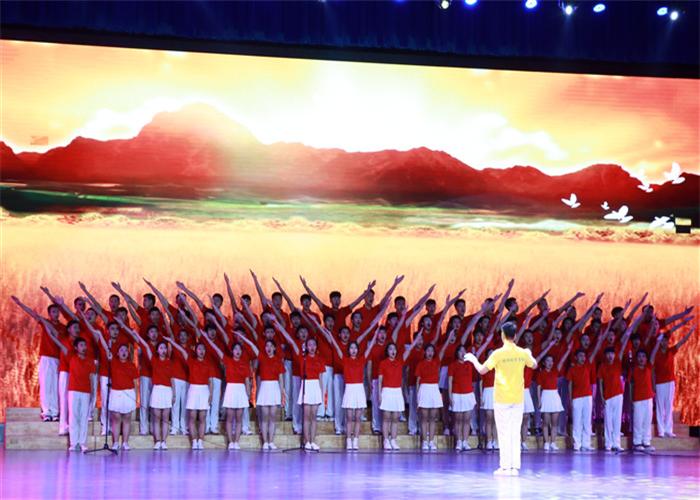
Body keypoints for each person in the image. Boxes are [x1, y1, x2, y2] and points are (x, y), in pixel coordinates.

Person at [465, 320, 537, 476]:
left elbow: (482, 370)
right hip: (517, 398)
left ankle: (505, 467)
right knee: (515, 432)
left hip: (502, 398)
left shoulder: (497, 354)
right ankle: (514, 467)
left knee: (503, 432)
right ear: (515, 336)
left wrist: (472, 359)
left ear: (503, 335)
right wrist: (529, 354)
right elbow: (534, 365)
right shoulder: (522, 352)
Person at [12, 297, 64, 422]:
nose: (56, 314)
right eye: (53, 312)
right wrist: (20, 303)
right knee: (46, 385)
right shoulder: (45, 323)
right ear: (49, 313)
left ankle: (55, 412)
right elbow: (33, 314)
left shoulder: (63, 328)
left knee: (55, 387)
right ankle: (46, 412)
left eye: (57, 312)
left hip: (58, 359)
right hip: (46, 358)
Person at [205, 330, 254, 450]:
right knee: (230, 418)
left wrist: (248, 394)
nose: (238, 351)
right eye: (235, 349)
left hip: (241, 390)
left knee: (239, 418)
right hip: (231, 389)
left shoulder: (245, 364)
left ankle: (236, 441)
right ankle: (230, 442)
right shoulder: (228, 360)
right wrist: (207, 339)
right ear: (232, 351)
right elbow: (216, 349)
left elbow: (247, 381)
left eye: (239, 349)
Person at [165, 338, 212, 450]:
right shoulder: (191, 360)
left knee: (202, 417)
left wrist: (210, 395)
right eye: (199, 349)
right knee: (192, 417)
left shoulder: (208, 363)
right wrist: (171, 342)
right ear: (195, 350)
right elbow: (182, 350)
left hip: (204, 390)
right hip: (193, 389)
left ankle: (200, 441)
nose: (201, 351)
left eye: (203, 349)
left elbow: (210, 381)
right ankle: (194, 441)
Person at [378, 334, 423, 450]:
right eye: (390, 349)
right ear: (387, 351)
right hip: (387, 391)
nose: (392, 351)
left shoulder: (400, 361)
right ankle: (386, 440)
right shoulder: (383, 363)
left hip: (397, 391)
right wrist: (379, 394)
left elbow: (409, 350)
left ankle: (393, 440)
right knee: (386, 417)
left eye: (394, 349)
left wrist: (415, 341)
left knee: (395, 418)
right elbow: (380, 380)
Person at [654, 323, 695, 438]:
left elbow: (682, 342)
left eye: (666, 341)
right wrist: (653, 384)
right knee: (660, 407)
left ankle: (668, 429)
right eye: (662, 341)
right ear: (660, 342)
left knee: (669, 406)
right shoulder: (655, 354)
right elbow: (652, 371)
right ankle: (661, 431)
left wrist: (691, 331)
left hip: (670, 382)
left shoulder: (671, 351)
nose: (664, 343)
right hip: (659, 383)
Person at [630, 335, 663, 452]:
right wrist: (631, 399)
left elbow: (653, 354)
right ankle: (637, 442)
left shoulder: (648, 367)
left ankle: (646, 442)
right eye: (639, 356)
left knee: (647, 421)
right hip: (638, 399)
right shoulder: (633, 370)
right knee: (638, 421)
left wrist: (658, 341)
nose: (641, 359)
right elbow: (631, 386)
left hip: (648, 398)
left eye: (643, 356)